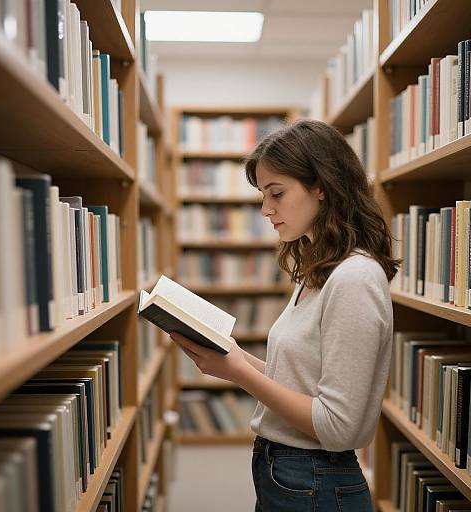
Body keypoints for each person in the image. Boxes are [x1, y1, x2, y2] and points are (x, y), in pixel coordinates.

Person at [170, 119, 398, 511]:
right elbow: (304, 380)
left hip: (315, 480)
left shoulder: (354, 279)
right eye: (263, 194)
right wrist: (235, 357)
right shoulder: (319, 269)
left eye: (277, 193)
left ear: (322, 187)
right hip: (290, 474)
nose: (265, 209)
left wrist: (238, 372)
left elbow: (338, 427)